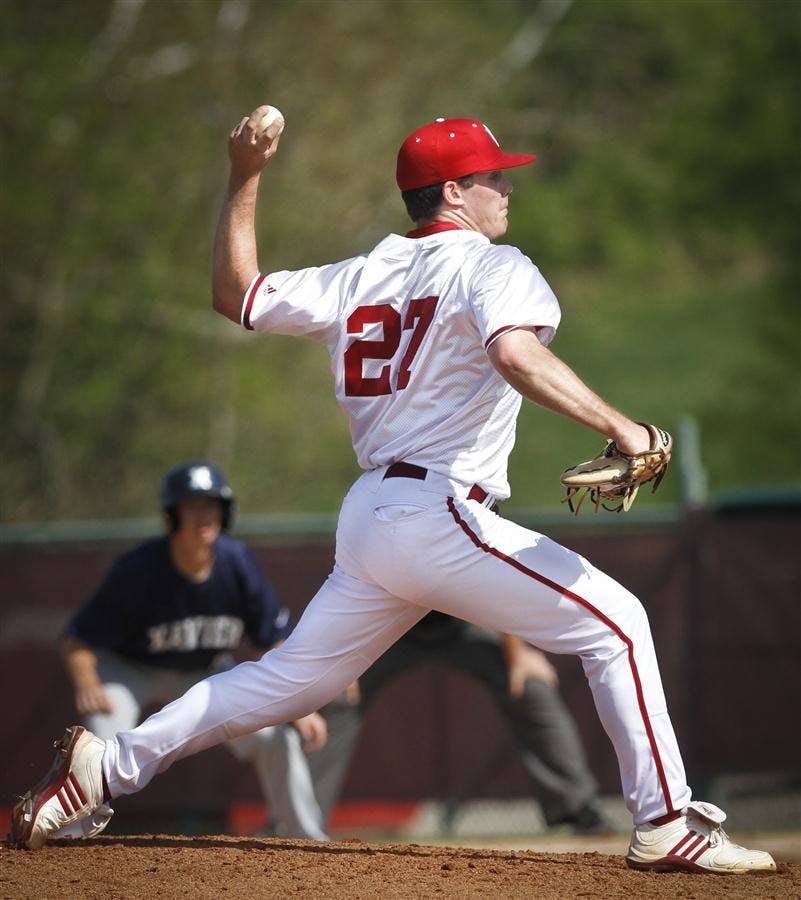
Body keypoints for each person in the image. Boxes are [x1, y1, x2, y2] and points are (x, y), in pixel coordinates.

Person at [11, 108, 775, 874]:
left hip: (374, 517)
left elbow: (236, 295)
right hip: (439, 509)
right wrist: (621, 426)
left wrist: (245, 176)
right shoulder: (491, 264)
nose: (505, 188)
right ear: (452, 192)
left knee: (286, 680)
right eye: (490, 177)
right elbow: (513, 355)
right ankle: (666, 820)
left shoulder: (359, 273)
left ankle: (104, 770)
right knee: (617, 623)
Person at [52, 460, 330, 841]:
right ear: (173, 515)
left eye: (212, 505)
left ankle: (307, 838)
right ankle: (68, 834)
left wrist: (301, 702)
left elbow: (274, 637)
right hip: (132, 672)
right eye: (193, 506)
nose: (204, 515)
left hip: (205, 671)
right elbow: (78, 637)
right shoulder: (139, 569)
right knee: (100, 745)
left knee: (276, 738)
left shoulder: (236, 563)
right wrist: (87, 680)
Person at [306, 614, 614, 835]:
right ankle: (297, 819)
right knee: (340, 697)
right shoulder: (384, 525)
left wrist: (517, 657)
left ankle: (578, 807)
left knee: (530, 687)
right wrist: (346, 659)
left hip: (459, 623)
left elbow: (496, 590)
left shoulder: (468, 524)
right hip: (392, 626)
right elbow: (354, 590)